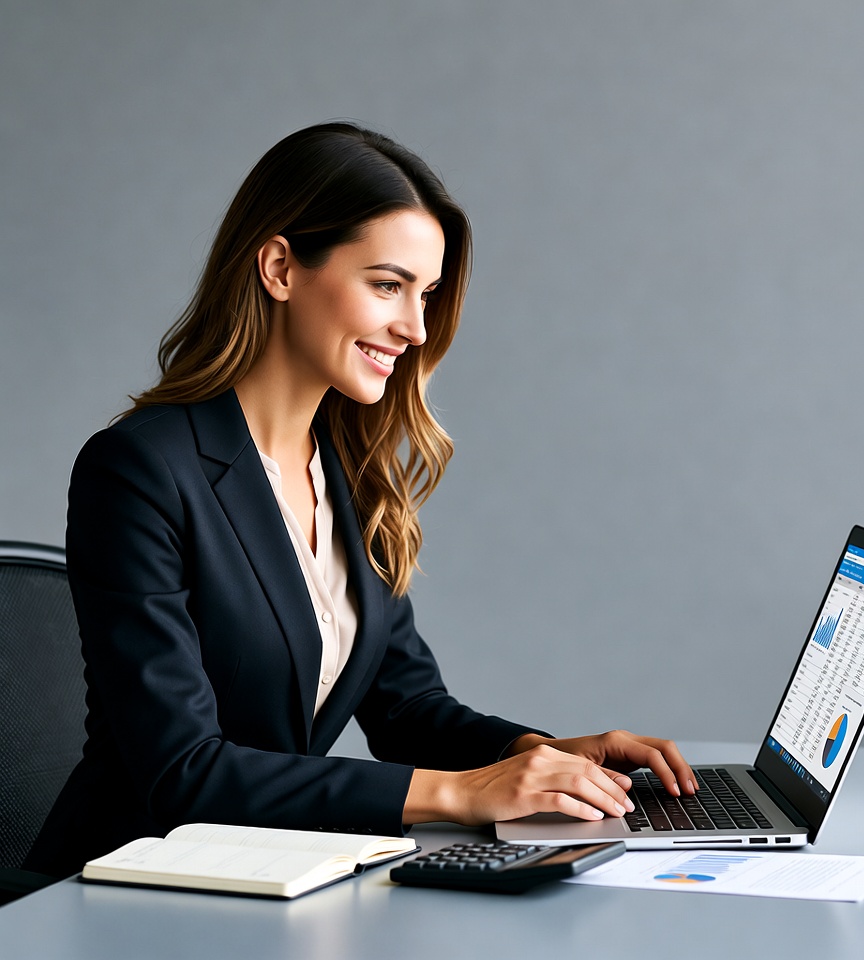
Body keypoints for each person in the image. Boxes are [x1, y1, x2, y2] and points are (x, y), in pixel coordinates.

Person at [26, 122, 697, 878]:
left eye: (427, 294)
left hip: (272, 879)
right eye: (387, 285)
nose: (414, 328)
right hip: (127, 889)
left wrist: (534, 754)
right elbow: (185, 772)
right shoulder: (139, 469)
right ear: (280, 267)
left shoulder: (347, 468)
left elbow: (404, 706)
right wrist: (463, 794)